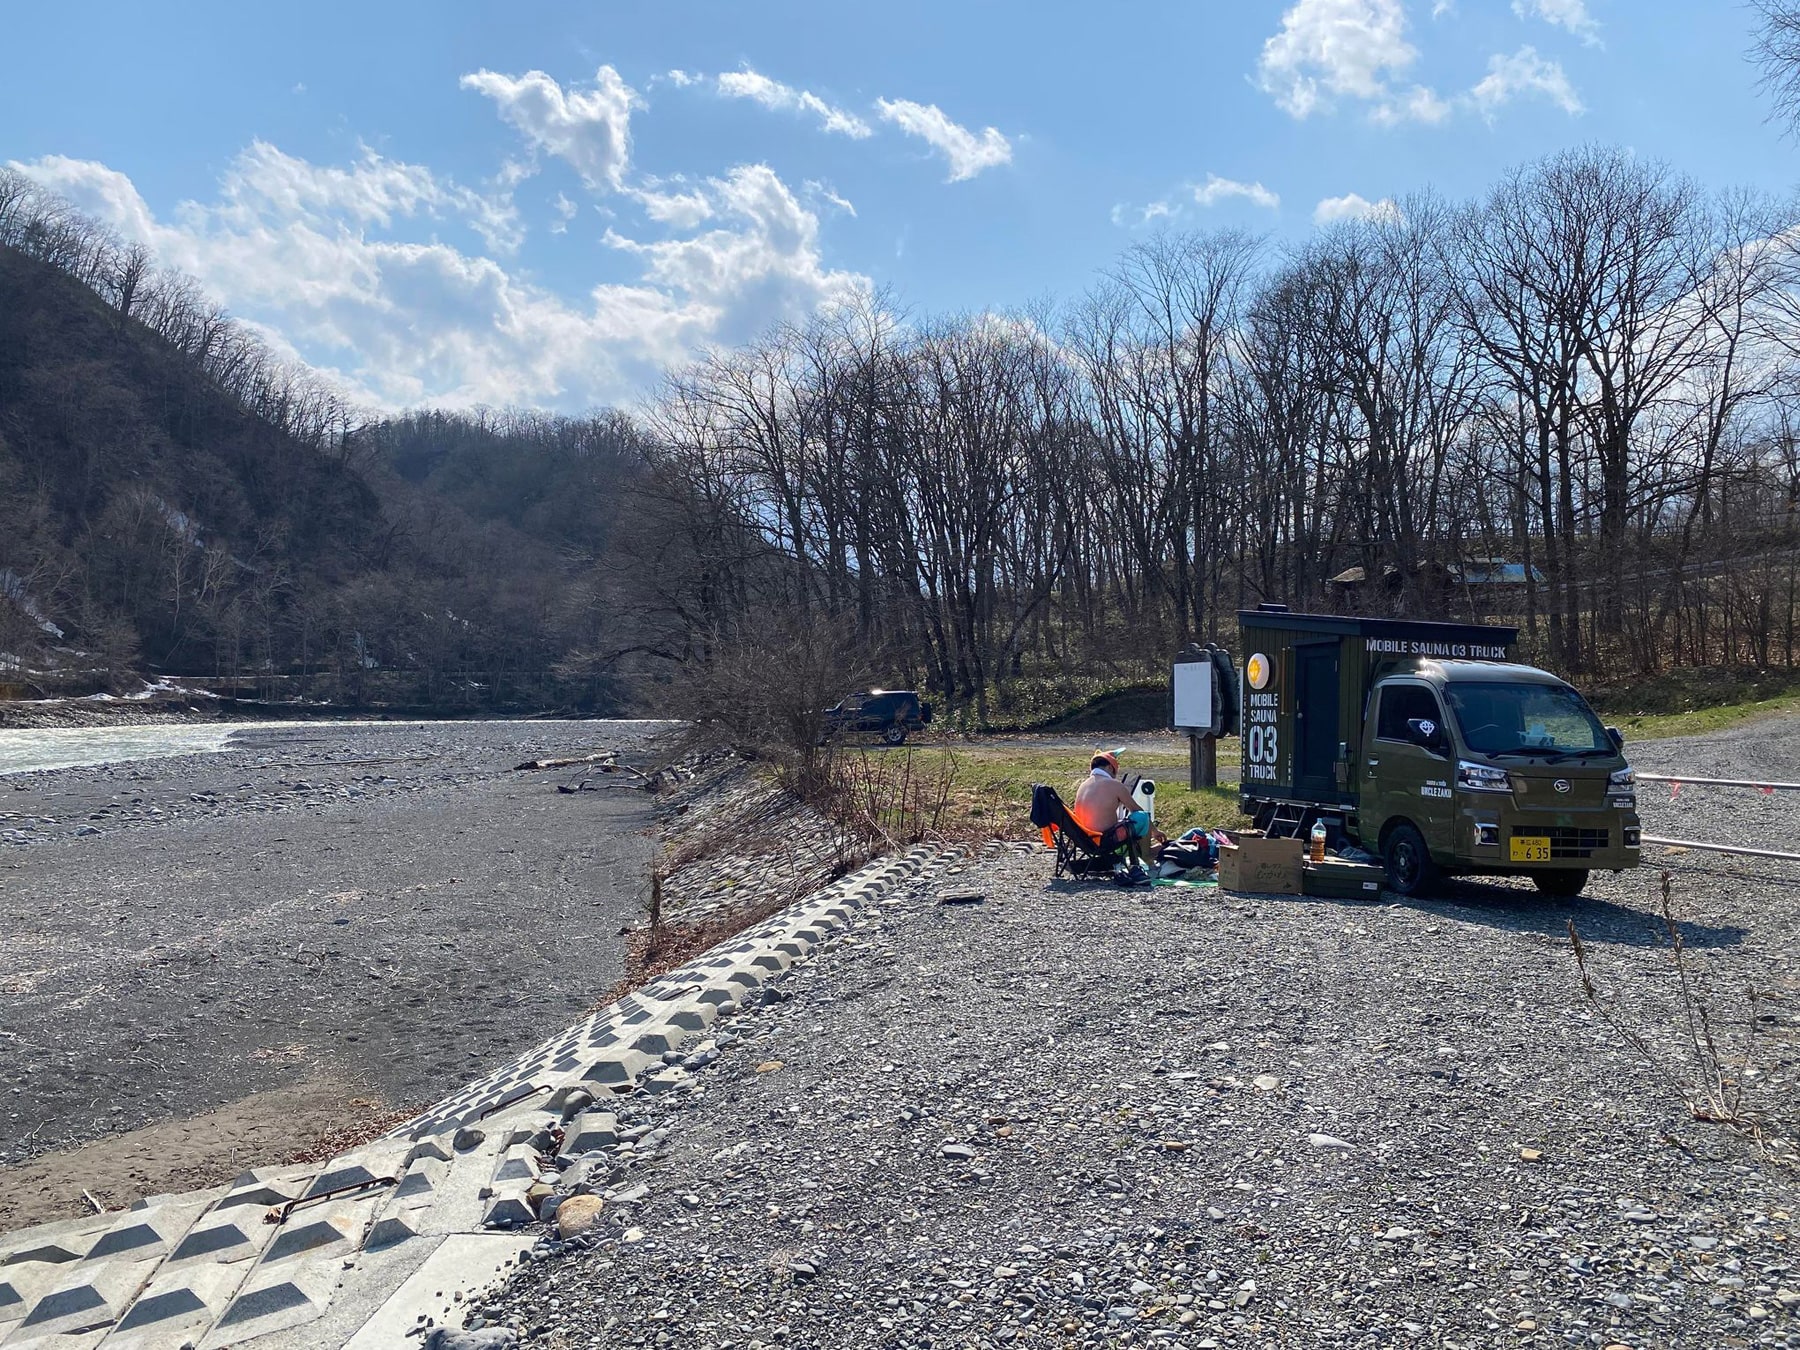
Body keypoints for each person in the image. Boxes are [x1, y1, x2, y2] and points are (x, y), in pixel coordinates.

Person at [1072, 750, 1161, 877]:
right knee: (1141, 817)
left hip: (1084, 839)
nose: (1114, 776)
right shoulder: (1113, 784)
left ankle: (1144, 854)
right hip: (1105, 840)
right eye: (1114, 772)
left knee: (1128, 823)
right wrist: (1155, 831)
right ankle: (1147, 858)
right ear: (1109, 767)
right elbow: (1137, 810)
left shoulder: (1083, 785)